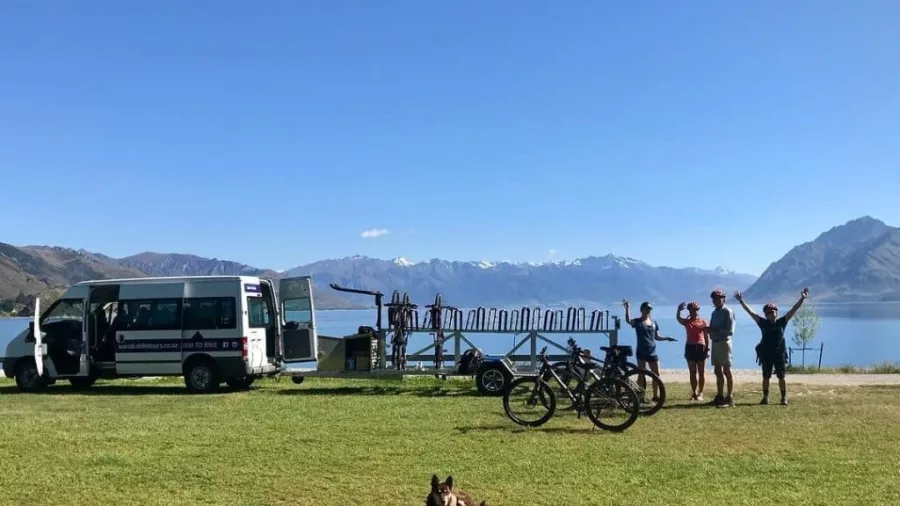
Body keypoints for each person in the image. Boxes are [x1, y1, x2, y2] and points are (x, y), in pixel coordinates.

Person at [733, 287, 809, 406]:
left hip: (779, 354)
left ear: (776, 312)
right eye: (768, 312)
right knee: (766, 377)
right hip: (766, 354)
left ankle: (783, 398)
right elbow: (751, 312)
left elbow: (793, 310)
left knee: (781, 377)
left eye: (773, 311)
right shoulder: (762, 323)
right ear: (766, 314)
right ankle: (765, 397)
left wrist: (802, 298)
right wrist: (741, 301)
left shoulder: (782, 322)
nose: (771, 313)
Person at [622, 299, 677, 402]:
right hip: (641, 352)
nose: (648, 311)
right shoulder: (638, 322)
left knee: (656, 375)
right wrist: (627, 308)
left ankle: (655, 396)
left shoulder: (654, 322)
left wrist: (667, 338)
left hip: (652, 351)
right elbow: (628, 321)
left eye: (649, 309)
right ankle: (640, 396)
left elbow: (657, 336)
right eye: (646, 309)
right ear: (642, 310)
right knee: (641, 374)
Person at [705, 289, 735, 407]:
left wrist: (714, 330)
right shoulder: (714, 312)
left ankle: (730, 397)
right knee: (717, 370)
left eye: (719, 298)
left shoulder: (727, 311)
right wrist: (708, 329)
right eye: (714, 298)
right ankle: (720, 396)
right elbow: (713, 327)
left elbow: (730, 331)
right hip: (715, 343)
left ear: (724, 299)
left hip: (724, 343)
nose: (716, 300)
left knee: (726, 370)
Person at [676, 301, 709, 402]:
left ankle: (700, 393)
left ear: (698, 310)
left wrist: (707, 349)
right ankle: (694, 392)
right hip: (690, 347)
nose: (693, 311)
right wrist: (678, 310)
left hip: (701, 347)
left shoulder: (703, 321)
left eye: (695, 310)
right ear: (689, 311)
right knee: (692, 372)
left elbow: (707, 336)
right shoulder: (687, 321)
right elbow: (678, 319)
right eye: (691, 310)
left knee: (701, 372)